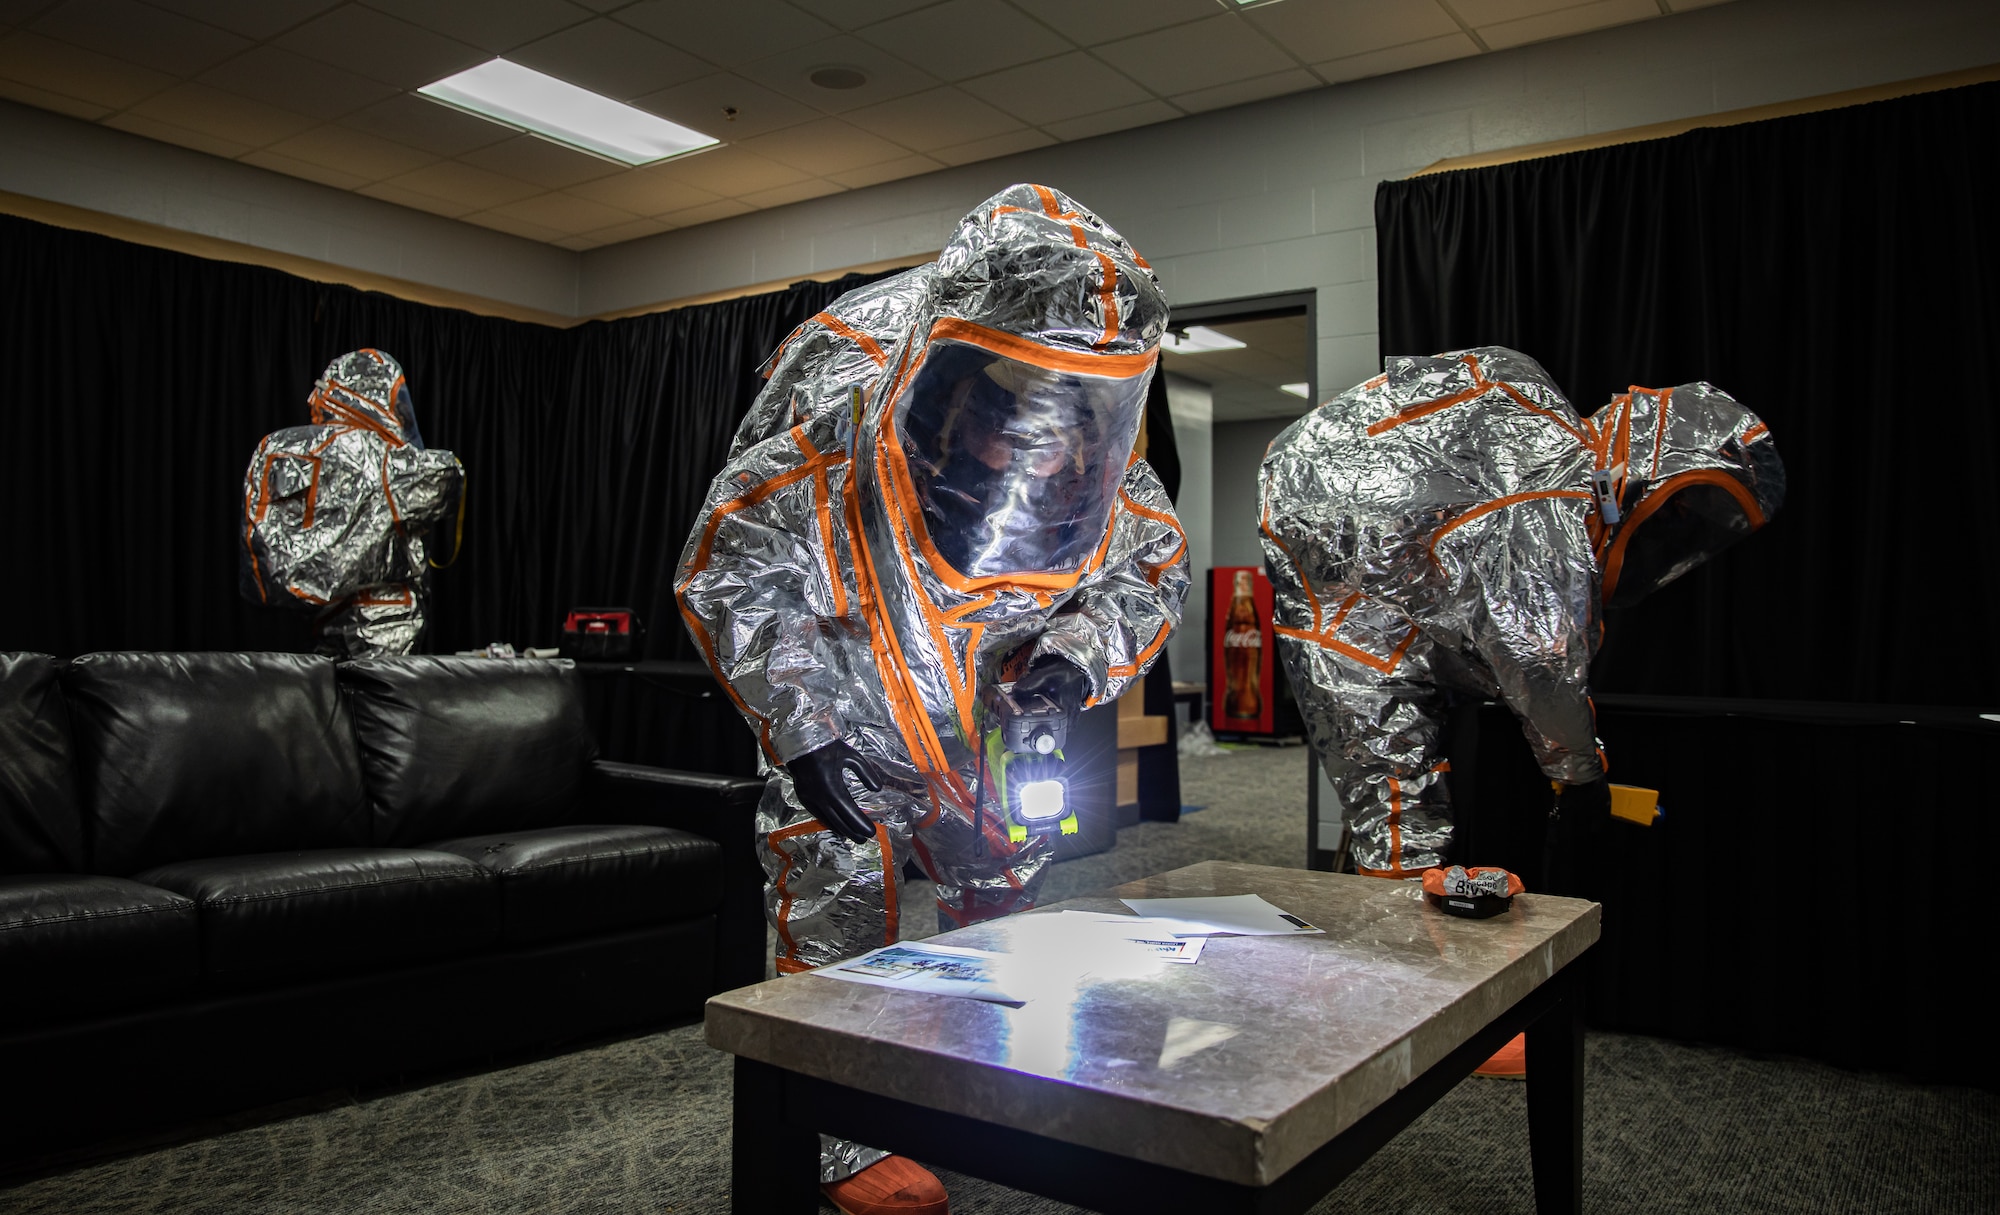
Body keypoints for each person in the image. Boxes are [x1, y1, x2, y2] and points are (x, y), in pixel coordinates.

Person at [677, 183, 1188, 1214]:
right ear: (946, 367)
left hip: (996, 697)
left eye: (1064, 403)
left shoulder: (1098, 440)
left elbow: (1150, 567)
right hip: (842, 672)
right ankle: (827, 1140)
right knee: (833, 900)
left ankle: (971, 1081)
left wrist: (1074, 660)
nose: (1031, 436)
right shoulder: (840, 411)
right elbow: (729, 569)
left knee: (1001, 878)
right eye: (1005, 399)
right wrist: (801, 727)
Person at [1260, 347, 1784, 887]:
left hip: (1337, 605)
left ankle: (1396, 942)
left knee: (1391, 820)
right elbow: (1539, 661)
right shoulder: (1550, 500)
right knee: (1394, 811)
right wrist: (1581, 777)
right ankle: (1408, 947)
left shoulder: (1524, 396)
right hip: (1346, 604)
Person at [240, 349, 463, 657]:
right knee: (378, 701)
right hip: (387, 620)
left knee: (329, 699)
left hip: (316, 621)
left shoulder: (285, 446)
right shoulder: (393, 460)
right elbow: (449, 476)